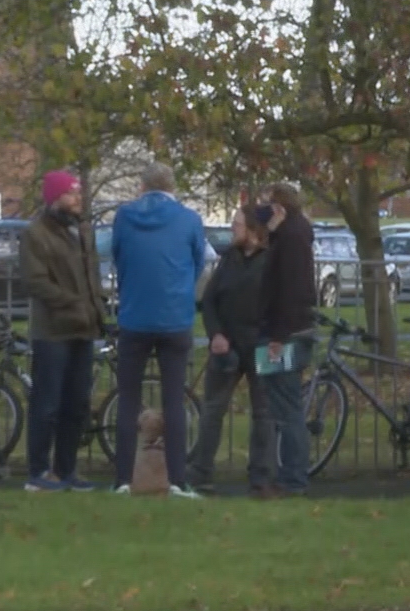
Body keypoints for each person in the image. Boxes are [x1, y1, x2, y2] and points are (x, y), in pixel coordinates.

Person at [110, 163, 208, 497]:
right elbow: (198, 262)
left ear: (141, 186)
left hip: (134, 316)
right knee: (173, 400)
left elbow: (118, 258)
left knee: (128, 399)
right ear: (172, 187)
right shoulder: (189, 220)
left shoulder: (124, 217)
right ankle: (178, 481)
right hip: (174, 318)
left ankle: (123, 479)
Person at [18, 169, 108, 492]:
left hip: (83, 330)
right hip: (52, 332)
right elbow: (36, 282)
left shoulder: (82, 231)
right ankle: (39, 471)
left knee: (77, 402)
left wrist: (98, 310)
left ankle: (66, 469)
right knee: (47, 403)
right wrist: (74, 304)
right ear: (55, 198)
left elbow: (91, 276)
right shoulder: (35, 234)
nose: (77, 199)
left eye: (78, 193)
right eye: (71, 194)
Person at [187, 204, 274, 493]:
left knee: (264, 412)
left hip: (263, 344)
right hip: (227, 345)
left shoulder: (272, 260)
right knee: (213, 409)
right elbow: (209, 300)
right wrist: (216, 335)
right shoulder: (228, 259)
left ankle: (261, 475)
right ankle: (201, 472)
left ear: (252, 230)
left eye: (237, 224)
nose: (232, 229)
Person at [256, 183, 317, 498]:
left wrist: (277, 336)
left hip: (285, 333)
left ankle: (293, 479)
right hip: (289, 330)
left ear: (279, 208)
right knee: (284, 405)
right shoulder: (294, 234)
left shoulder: (290, 238)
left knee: (287, 407)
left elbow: (289, 290)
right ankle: (289, 476)